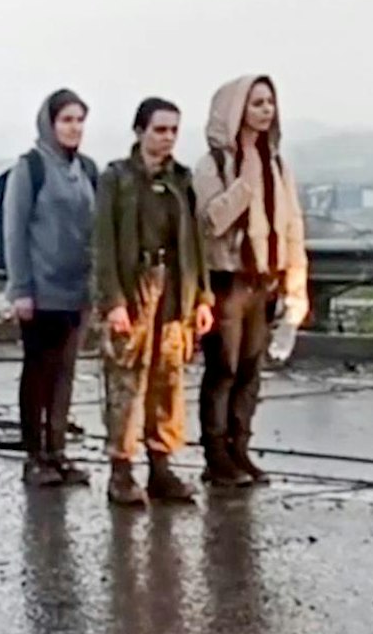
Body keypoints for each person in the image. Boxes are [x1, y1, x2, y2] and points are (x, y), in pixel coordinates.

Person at [93, 99, 216, 507]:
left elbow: (195, 243)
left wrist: (202, 297)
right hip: (135, 285)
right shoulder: (117, 179)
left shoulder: (181, 180)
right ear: (140, 131)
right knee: (126, 379)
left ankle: (161, 466)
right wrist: (113, 300)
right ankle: (121, 469)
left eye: (173, 130)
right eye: (159, 129)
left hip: (174, 288)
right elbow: (103, 243)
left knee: (168, 378)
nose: (167, 138)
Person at [195, 75, 309, 488]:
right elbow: (212, 222)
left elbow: (292, 226)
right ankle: (216, 455)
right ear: (236, 109)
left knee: (249, 370)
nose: (266, 110)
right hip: (227, 279)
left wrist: (295, 288)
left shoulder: (277, 164)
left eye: (269, 103)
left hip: (264, 280)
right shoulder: (213, 164)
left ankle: (240, 447)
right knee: (223, 369)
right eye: (256, 103)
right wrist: (245, 180)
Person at [3, 88, 98, 487]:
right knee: (38, 373)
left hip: (78, 291)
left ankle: (58, 450)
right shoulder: (31, 168)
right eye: (66, 120)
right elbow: (15, 231)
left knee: (65, 374)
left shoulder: (87, 170)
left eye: (79, 120)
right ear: (49, 123)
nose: (74, 128)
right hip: (41, 291)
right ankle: (35, 454)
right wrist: (21, 289)